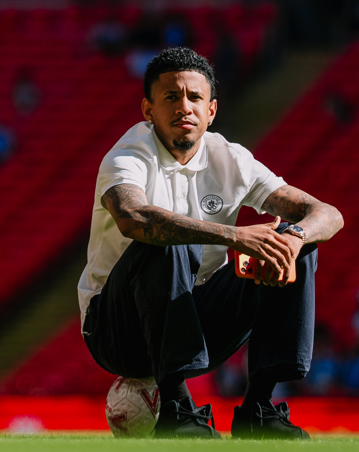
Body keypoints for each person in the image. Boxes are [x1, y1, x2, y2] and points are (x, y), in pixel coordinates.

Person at [77, 47, 344, 439]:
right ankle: (177, 408)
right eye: (171, 96)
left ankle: (259, 409)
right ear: (149, 110)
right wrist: (235, 236)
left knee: (293, 246)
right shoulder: (128, 154)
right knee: (169, 238)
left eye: (195, 97)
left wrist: (294, 238)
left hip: (197, 320)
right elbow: (134, 217)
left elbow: (327, 213)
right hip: (117, 331)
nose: (184, 106)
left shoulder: (230, 159)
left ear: (211, 110)